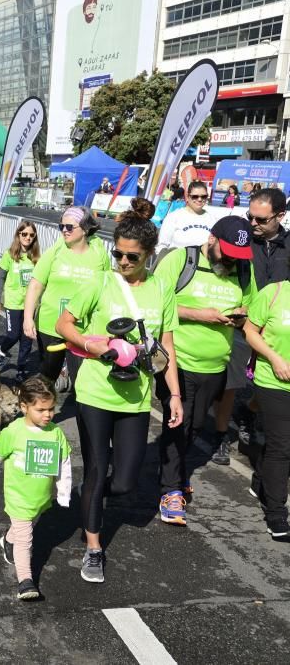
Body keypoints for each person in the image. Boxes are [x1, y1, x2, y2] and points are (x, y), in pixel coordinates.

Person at [55, 215, 181, 583]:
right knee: (97, 467)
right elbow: (65, 325)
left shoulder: (161, 290)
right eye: (118, 254)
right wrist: (92, 342)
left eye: (132, 257)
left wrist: (173, 394)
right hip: (95, 390)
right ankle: (93, 548)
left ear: (150, 255)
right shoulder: (100, 281)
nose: (123, 263)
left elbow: (166, 347)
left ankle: (89, 496)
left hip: (136, 397)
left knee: (125, 481)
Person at [151, 216, 255, 524]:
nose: (233, 261)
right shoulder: (181, 260)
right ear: (211, 239)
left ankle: (174, 469)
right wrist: (200, 315)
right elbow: (156, 302)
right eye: (228, 253)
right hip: (176, 361)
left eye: (239, 256)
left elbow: (251, 308)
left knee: (195, 425)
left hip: (215, 366)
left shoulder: (244, 271)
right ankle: (171, 490)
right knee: (178, 423)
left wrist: (239, 316)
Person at [0, 375, 71, 601]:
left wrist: (63, 492)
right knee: (25, 539)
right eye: (41, 410)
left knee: (27, 526)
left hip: (40, 498)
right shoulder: (14, 431)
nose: (48, 414)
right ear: (24, 407)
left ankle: (7, 540)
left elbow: (64, 464)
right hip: (18, 497)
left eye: (51, 409)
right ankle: (25, 581)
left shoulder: (55, 433)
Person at [24, 206, 110, 385]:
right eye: (61, 226)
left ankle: (83, 411)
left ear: (85, 228)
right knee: (47, 378)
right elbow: (36, 284)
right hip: (51, 325)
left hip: (82, 328)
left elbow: (107, 289)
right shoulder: (56, 251)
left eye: (69, 227)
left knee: (83, 381)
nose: (64, 230)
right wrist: (27, 318)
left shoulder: (99, 254)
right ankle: (44, 412)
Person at [238, 188, 290, 456]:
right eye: (251, 217)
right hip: (243, 323)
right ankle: (223, 433)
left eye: (261, 219)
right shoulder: (243, 239)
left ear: (280, 216)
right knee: (231, 382)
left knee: (270, 381)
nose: (253, 223)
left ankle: (251, 412)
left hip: (277, 326)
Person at [245, 267, 290, 542]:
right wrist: (275, 359)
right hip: (273, 380)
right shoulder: (274, 293)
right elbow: (250, 331)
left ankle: (261, 479)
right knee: (282, 446)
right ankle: (276, 513)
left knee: (282, 443)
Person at [0, 220, 40, 381]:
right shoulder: (9, 255)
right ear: (18, 235)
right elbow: (0, 278)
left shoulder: (36, 257)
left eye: (31, 235)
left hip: (30, 305)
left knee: (27, 340)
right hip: (13, 303)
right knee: (13, 336)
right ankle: (2, 351)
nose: (28, 237)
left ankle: (21, 369)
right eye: (24, 234)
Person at [156, 181, 214, 252]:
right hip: (177, 261)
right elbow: (162, 246)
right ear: (188, 196)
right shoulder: (174, 217)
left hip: (203, 262)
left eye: (203, 196)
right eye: (195, 196)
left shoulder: (211, 218)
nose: (199, 199)